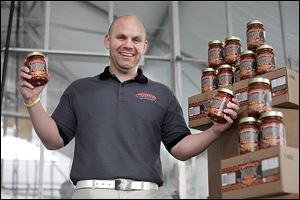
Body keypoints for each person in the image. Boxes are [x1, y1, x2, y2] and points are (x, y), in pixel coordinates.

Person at [18, 15, 239, 199]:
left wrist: (215, 131)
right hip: (90, 192)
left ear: (144, 46)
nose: (128, 45)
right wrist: (32, 100)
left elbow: (180, 148)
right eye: (121, 37)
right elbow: (53, 140)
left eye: (136, 39)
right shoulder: (80, 89)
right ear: (108, 40)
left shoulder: (162, 94)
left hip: (145, 194)